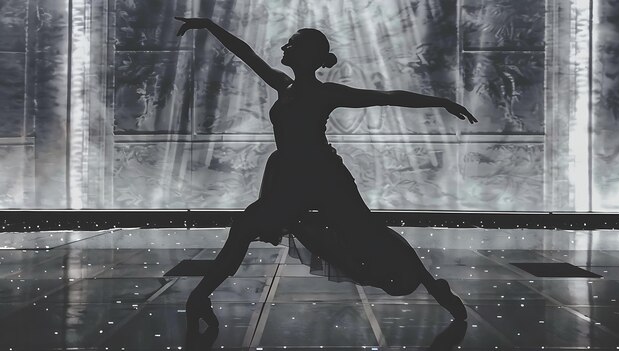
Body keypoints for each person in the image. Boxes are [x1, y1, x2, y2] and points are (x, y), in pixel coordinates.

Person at [175, 16, 478, 335]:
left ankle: (434, 288)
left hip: (325, 179)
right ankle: (198, 298)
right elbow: (245, 51)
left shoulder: (326, 93)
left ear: (308, 54)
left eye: (291, 43)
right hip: (292, 179)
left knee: (370, 232)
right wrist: (208, 25)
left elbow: (389, 96)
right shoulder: (283, 84)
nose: (283, 46)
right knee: (244, 229)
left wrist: (442, 102)